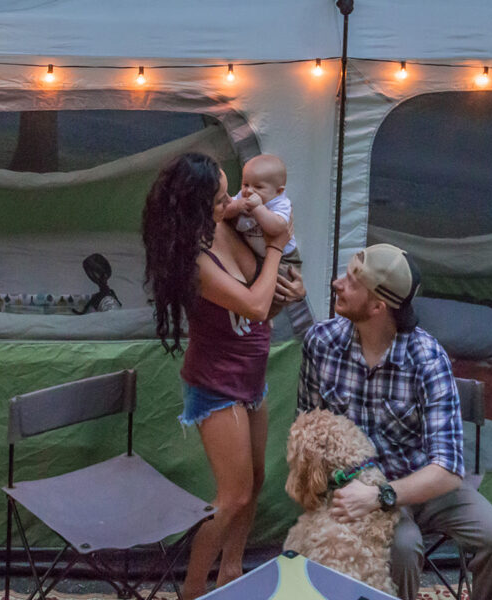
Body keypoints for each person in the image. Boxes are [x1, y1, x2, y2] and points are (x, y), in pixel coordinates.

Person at [297, 243, 492, 600]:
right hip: (357, 485)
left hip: (424, 483)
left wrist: (381, 495)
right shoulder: (321, 344)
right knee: (401, 547)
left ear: (377, 306)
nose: (338, 284)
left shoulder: (426, 357)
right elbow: (307, 431)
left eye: (353, 281)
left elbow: (447, 469)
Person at [142, 152, 305, 600]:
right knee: (232, 496)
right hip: (216, 385)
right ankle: (192, 592)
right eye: (220, 197)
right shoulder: (193, 262)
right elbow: (251, 305)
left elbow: (262, 308)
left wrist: (290, 296)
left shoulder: (231, 224)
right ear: (196, 206)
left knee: (254, 483)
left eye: (229, 190)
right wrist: (276, 248)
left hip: (252, 375)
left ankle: (230, 575)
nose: (233, 200)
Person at [223, 154, 302, 277]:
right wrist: (237, 205)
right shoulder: (242, 197)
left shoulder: (280, 203)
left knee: (282, 286)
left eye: (258, 187)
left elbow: (277, 228)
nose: (249, 191)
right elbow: (224, 212)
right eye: (246, 184)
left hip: (284, 258)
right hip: (257, 255)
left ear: (278, 191)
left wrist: (258, 209)